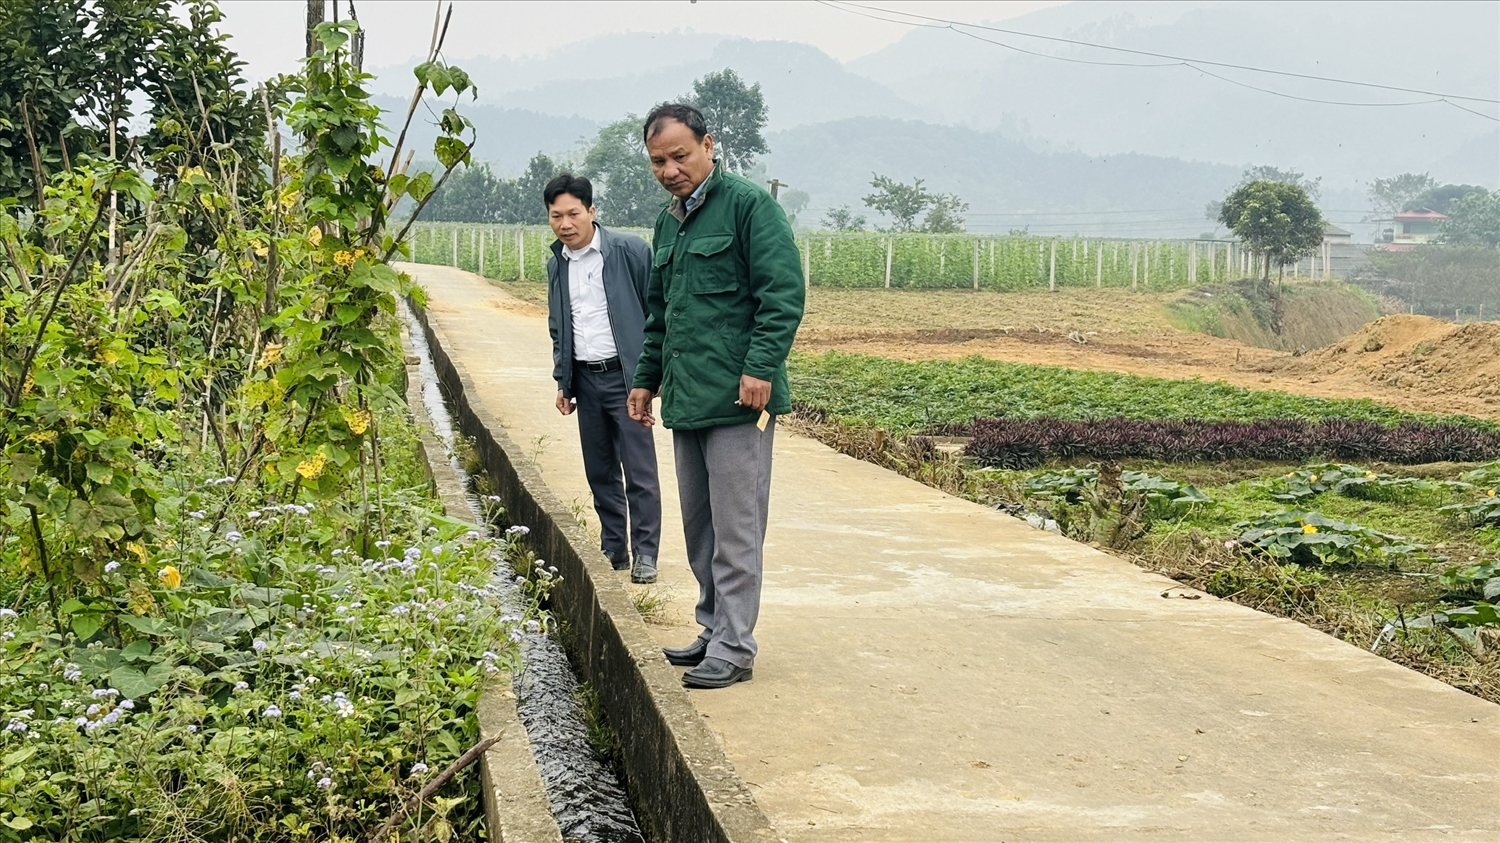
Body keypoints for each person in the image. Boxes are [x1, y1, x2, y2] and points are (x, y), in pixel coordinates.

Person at [626, 103, 804, 690]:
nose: (670, 169)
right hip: (688, 397)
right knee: (701, 526)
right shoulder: (667, 223)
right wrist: (645, 378)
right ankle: (712, 627)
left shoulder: (750, 207)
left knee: (736, 527)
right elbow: (660, 315)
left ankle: (735, 645)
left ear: (708, 145)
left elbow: (781, 295)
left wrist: (761, 367)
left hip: (738, 400)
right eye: (658, 160)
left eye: (680, 155)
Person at [544, 173, 662, 584]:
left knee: (639, 470)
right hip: (585, 379)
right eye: (556, 216)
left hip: (626, 379)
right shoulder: (557, 263)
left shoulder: (628, 251)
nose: (565, 224)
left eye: (573, 213)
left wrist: (651, 377)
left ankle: (646, 552)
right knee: (600, 470)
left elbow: (656, 313)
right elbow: (560, 325)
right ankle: (614, 547)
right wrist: (565, 380)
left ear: (592, 211)